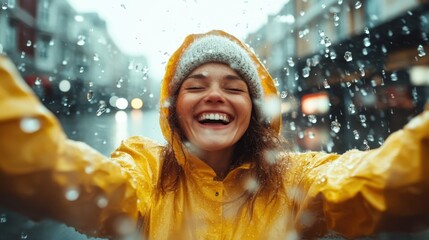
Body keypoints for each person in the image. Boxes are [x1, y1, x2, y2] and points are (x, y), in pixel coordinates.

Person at [0, 30, 428, 240]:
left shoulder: (297, 177)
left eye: (234, 87)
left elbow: (385, 181)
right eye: (197, 85)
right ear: (175, 107)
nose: (215, 96)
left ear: (254, 110)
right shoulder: (145, 170)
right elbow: (62, 175)